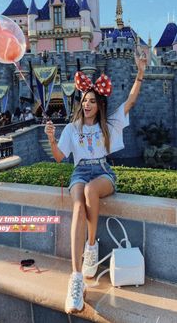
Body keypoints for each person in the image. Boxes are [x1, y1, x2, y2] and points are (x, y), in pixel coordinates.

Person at [44, 54, 146, 314]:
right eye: (84, 100)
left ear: (99, 105)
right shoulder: (71, 128)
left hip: (102, 171)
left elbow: (131, 100)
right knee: (78, 206)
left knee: (91, 191)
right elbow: (59, 158)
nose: (87, 104)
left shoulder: (109, 125)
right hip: (79, 172)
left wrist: (140, 72)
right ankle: (76, 279)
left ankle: (91, 246)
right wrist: (52, 139)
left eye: (92, 101)